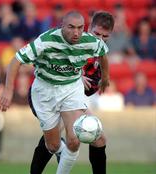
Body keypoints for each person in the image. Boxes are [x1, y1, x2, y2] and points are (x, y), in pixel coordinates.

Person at [0, 11, 109, 174]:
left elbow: (103, 53)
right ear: (61, 26)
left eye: (80, 28)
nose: (76, 32)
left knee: (74, 141)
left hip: (71, 89)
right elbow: (16, 60)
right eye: (71, 27)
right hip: (45, 91)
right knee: (53, 145)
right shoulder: (46, 41)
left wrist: (105, 77)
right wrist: (8, 90)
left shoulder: (90, 42)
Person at [29, 11, 114, 174]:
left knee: (99, 138)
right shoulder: (72, 43)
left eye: (105, 37)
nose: (100, 39)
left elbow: (103, 59)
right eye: (97, 34)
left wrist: (105, 77)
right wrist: (76, 76)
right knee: (53, 143)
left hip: (71, 100)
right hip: (49, 94)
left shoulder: (95, 52)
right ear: (88, 28)